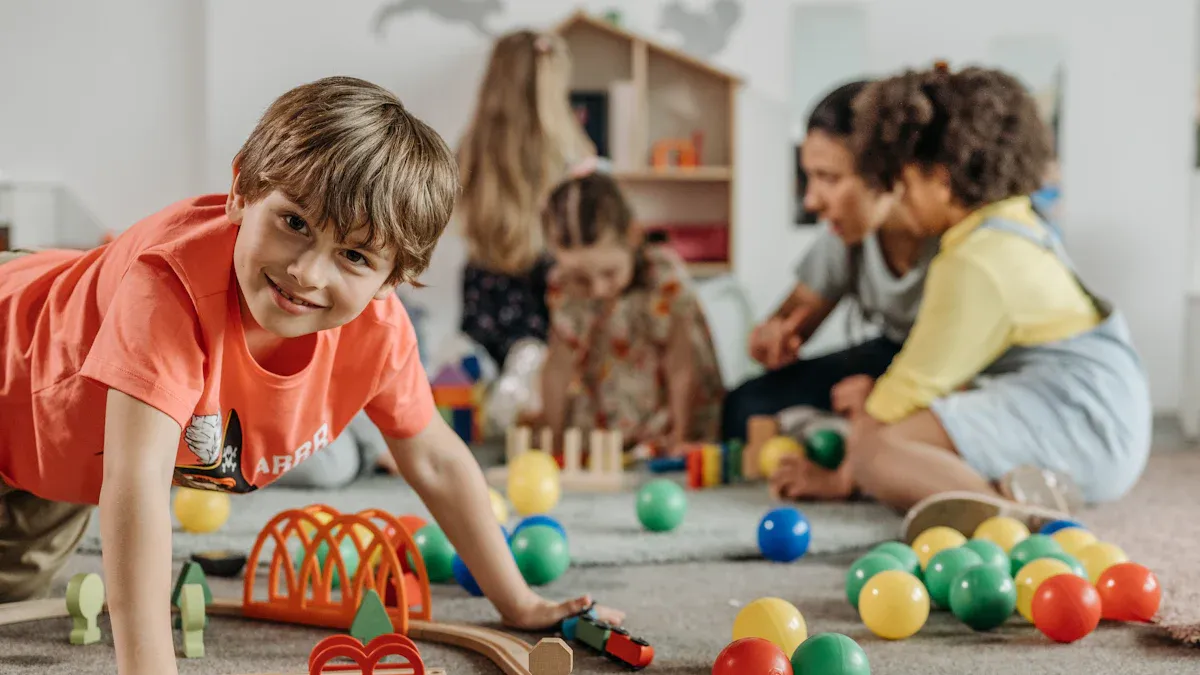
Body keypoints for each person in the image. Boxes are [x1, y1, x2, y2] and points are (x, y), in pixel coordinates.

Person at [0, 76, 622, 675]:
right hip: (14, 345)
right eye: (293, 222)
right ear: (242, 190)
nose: (307, 272)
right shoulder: (169, 290)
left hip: (49, 461)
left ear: (394, 278)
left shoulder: (378, 332)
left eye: (354, 256)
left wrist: (520, 604)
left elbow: (433, 457)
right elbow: (135, 485)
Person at [770, 65, 1152, 542]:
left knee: (875, 450)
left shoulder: (973, 261)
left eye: (903, 184)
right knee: (900, 432)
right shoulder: (1013, 225)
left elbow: (900, 397)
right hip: (1096, 411)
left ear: (943, 179)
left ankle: (1009, 522)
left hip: (1080, 420)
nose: (899, 198)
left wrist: (843, 476)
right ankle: (1011, 488)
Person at [721, 80, 938, 441]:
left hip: (953, 369)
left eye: (829, 178)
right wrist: (772, 334)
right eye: (810, 177)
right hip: (889, 352)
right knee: (745, 404)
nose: (811, 201)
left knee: (899, 422)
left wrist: (886, 398)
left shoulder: (955, 239)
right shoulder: (848, 233)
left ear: (886, 171)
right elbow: (798, 313)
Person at [534, 172, 725, 455]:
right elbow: (558, 367)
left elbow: (682, 364)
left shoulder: (662, 276)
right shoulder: (564, 286)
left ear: (633, 236)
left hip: (664, 414)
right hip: (604, 420)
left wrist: (680, 435)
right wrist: (556, 439)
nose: (598, 289)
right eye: (581, 278)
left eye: (609, 273)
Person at [456, 29, 598, 370]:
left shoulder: (472, 149)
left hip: (485, 288)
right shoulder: (572, 156)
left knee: (489, 399)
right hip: (549, 288)